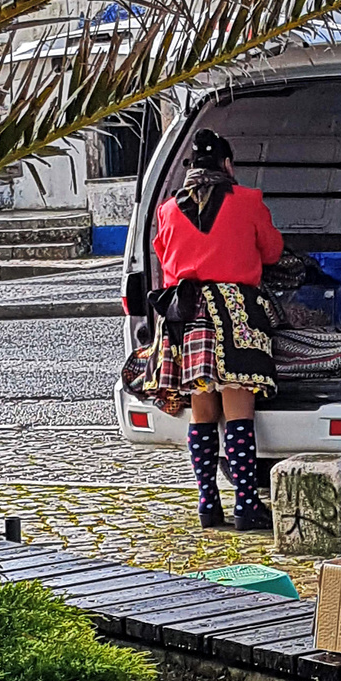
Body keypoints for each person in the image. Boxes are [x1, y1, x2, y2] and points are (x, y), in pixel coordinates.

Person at [124, 128, 283, 531]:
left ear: (190, 169)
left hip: (187, 318)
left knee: (203, 412)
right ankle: (247, 504)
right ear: (227, 165)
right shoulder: (247, 201)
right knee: (238, 412)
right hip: (235, 317)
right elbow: (273, 251)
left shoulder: (167, 210)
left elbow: (164, 256)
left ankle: (208, 504)